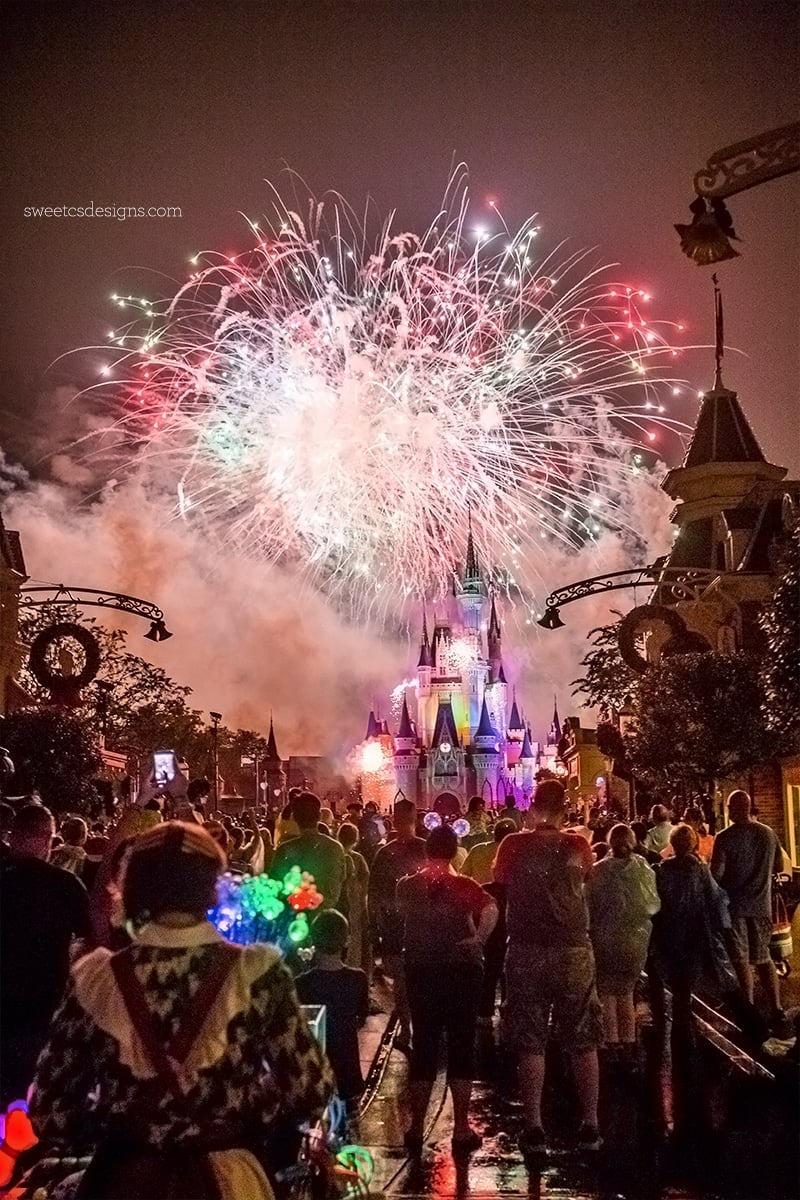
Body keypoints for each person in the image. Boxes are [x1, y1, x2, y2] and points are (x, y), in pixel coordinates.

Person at [29, 821, 334, 1199]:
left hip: (125, 1179)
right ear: (211, 888)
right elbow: (310, 1090)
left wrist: (124, 1120)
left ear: (133, 886)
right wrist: (239, 1110)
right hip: (232, 1179)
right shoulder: (255, 974)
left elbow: (50, 1110)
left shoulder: (98, 979)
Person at [493, 779, 602, 1155]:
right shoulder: (577, 845)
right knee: (583, 1038)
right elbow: (586, 877)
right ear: (564, 808)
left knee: (531, 1039)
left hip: (526, 950)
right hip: (573, 948)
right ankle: (590, 1125)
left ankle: (535, 1127)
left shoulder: (512, 845)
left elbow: (500, 879)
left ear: (533, 806)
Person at [397, 824, 497, 1156]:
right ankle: (462, 1128)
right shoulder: (464, 885)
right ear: (455, 851)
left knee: (424, 1044)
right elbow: (492, 908)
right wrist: (477, 940)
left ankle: (415, 1127)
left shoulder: (408, 887)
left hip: (421, 969)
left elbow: (402, 914)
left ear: (427, 851)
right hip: (461, 970)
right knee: (460, 1044)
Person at [0, 804, 91, 1107]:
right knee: (29, 1095)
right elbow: (91, 935)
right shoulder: (63, 884)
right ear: (45, 838)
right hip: (43, 1003)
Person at [711, 790, 787, 1032]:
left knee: (741, 960)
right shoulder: (768, 833)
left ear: (734, 808)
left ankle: (749, 1010)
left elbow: (717, 875)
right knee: (764, 957)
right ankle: (776, 1008)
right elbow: (778, 865)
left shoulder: (725, 837)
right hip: (762, 905)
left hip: (735, 907)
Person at [585, 823, 660, 1058]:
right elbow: (652, 903)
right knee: (627, 990)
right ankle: (628, 1039)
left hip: (606, 937)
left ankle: (611, 1039)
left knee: (607, 989)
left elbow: (588, 904)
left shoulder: (598, 871)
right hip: (635, 939)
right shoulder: (643, 868)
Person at [367, 799, 427, 1051]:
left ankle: (406, 1026)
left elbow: (375, 896)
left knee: (401, 981)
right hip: (424, 924)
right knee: (423, 977)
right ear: (416, 820)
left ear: (394, 820)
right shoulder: (426, 849)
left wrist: (374, 928)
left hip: (394, 925)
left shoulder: (384, 853)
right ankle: (423, 1027)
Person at [296, 910, 369, 1107]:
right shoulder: (358, 979)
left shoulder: (301, 983)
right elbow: (361, 1017)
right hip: (347, 1072)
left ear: (313, 939)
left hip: (314, 1071)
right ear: (346, 940)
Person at [270, 791, 347, 909]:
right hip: (326, 917)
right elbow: (341, 881)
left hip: (295, 918)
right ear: (319, 816)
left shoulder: (285, 849)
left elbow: (275, 886)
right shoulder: (335, 848)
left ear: (294, 817)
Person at [478, 818, 517, 1022]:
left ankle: (485, 1012)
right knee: (508, 975)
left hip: (492, 937)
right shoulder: (519, 888)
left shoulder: (486, 889)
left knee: (490, 973)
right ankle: (508, 1010)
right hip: (512, 935)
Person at [337, 822, 371, 977]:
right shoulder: (357, 859)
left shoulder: (334, 856)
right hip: (354, 905)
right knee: (354, 942)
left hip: (337, 903)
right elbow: (366, 883)